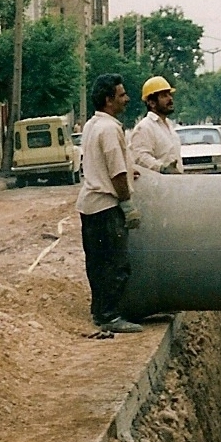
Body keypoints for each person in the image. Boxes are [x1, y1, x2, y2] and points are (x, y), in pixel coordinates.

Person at [77, 74, 144, 334]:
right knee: (116, 264)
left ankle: (99, 312)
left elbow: (108, 164)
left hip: (89, 206)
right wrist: (127, 204)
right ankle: (110, 317)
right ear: (108, 100)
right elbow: (115, 172)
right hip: (106, 207)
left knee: (97, 263)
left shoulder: (93, 125)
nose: (126, 99)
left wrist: (130, 169)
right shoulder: (110, 128)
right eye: (121, 95)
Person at [128, 76, 183, 175]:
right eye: (164, 96)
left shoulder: (169, 126)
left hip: (174, 185)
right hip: (157, 186)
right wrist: (162, 168)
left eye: (169, 94)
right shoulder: (144, 127)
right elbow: (140, 157)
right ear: (152, 103)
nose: (170, 98)